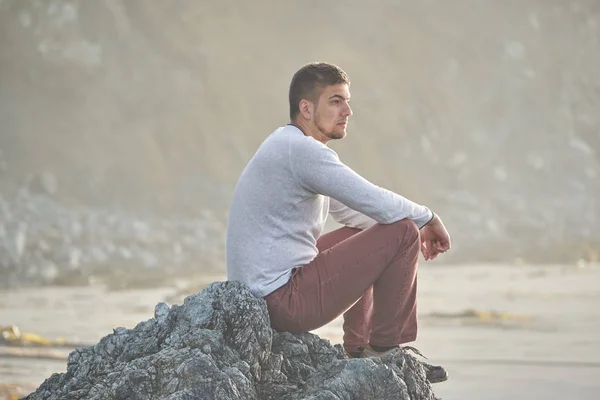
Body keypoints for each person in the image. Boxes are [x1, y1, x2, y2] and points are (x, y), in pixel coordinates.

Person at [226, 62, 451, 383]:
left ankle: (358, 348)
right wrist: (427, 218)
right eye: (335, 101)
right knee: (401, 231)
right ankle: (385, 350)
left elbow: (357, 213)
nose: (347, 111)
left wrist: (411, 227)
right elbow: (376, 201)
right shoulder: (302, 151)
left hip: (266, 295)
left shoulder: (288, 145)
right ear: (306, 108)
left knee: (384, 228)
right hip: (281, 300)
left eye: (347, 101)